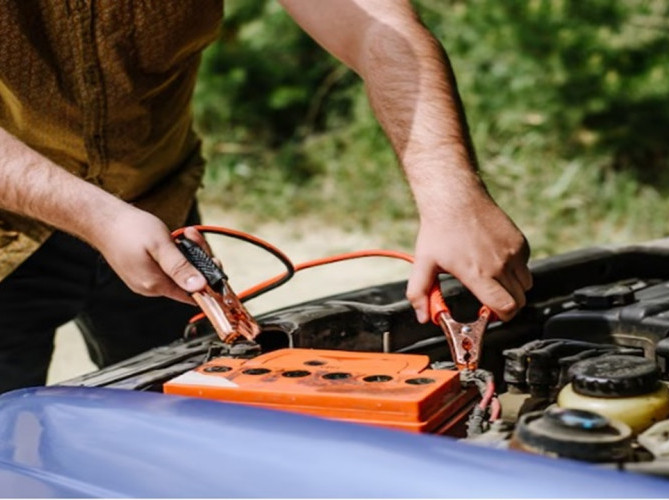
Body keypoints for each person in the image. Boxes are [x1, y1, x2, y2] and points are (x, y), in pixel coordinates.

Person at [0, 1, 532, 393]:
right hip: (12, 230)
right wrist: (95, 215)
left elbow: (379, 27)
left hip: (157, 215)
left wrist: (452, 195)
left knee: (176, 421)